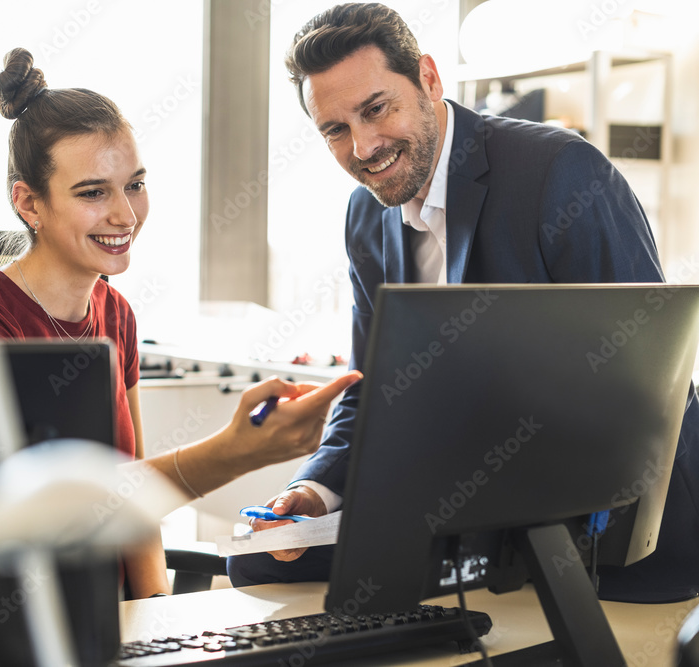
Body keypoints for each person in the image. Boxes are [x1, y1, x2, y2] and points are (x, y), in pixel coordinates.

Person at [226, 2, 699, 604]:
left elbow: (652, 377)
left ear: (428, 78)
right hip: (463, 497)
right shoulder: (365, 215)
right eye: (336, 129)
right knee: (264, 561)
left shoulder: (560, 172)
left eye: (376, 109)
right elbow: (370, 386)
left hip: (589, 506)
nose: (365, 146)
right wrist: (315, 492)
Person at [0, 47, 362, 599]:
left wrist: (157, 616)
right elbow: (23, 526)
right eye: (93, 192)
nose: (126, 216)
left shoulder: (115, 313)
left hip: (111, 620)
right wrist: (233, 452)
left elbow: (133, 497)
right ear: (29, 203)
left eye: (134, 184)